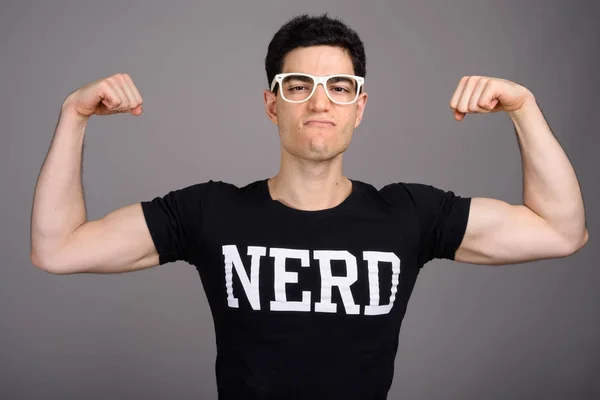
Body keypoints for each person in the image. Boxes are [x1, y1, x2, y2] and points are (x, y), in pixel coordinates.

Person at [30, 13, 588, 400]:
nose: (320, 100)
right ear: (272, 104)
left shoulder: (410, 215)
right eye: (298, 85)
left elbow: (562, 231)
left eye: (339, 87)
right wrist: (73, 116)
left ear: (359, 106)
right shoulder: (210, 213)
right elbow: (57, 248)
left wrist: (525, 108)